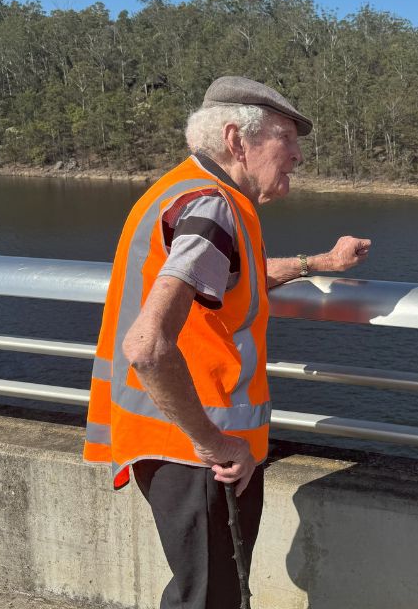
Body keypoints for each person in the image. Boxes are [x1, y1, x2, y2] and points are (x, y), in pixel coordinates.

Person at [83, 76, 371, 609]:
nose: (299, 156)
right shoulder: (210, 206)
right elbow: (146, 344)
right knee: (210, 599)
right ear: (238, 140)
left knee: (206, 592)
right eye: (288, 137)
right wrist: (216, 443)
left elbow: (232, 274)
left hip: (178, 445)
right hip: (199, 453)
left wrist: (319, 264)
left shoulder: (188, 191)